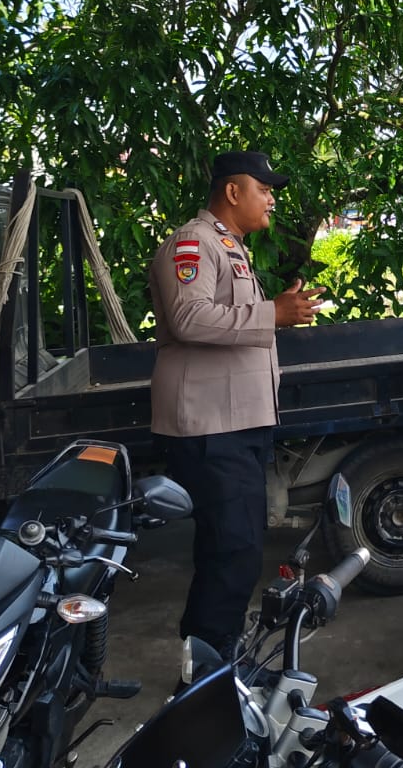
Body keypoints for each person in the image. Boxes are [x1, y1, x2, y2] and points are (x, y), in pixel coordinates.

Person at [149, 151, 325, 654]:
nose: (271, 198)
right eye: (263, 188)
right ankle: (209, 663)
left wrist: (274, 312)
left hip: (236, 424)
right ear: (232, 192)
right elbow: (189, 318)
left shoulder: (227, 246)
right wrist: (273, 312)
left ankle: (209, 655)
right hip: (211, 428)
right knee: (235, 551)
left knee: (234, 549)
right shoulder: (193, 242)